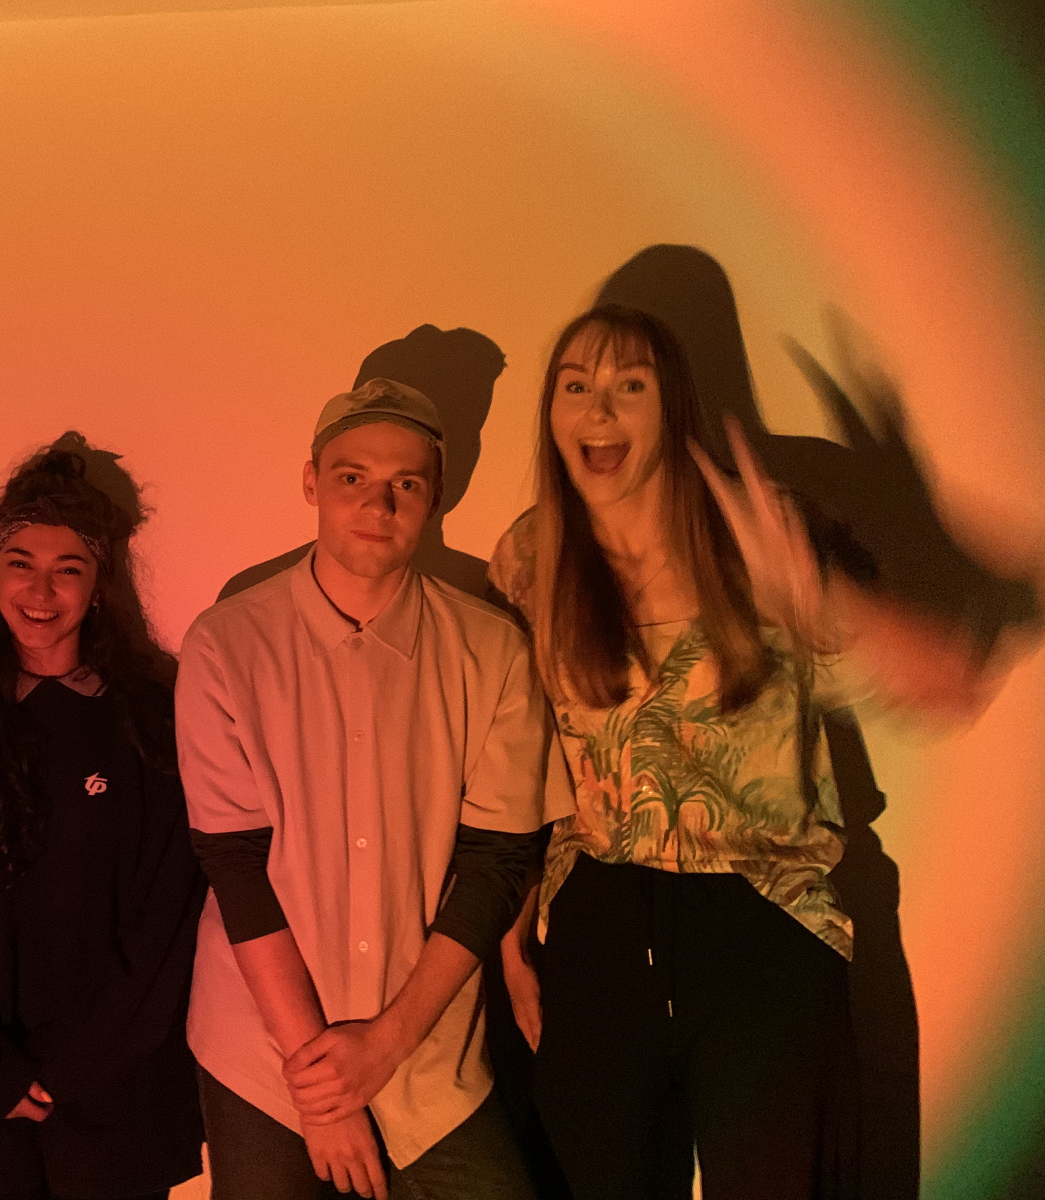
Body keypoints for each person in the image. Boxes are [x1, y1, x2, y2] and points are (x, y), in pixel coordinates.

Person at [493, 304, 983, 1200]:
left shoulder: (759, 527)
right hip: (600, 919)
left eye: (629, 385)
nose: (598, 409)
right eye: (576, 386)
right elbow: (529, 753)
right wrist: (515, 927)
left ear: (670, 406)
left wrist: (821, 601)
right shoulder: (532, 555)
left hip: (761, 916)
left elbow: (948, 683)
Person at [177, 378, 572, 1200]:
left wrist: (385, 1046)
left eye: (405, 483)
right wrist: (321, 1090)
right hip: (264, 1053)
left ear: (436, 495)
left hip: (429, 1053)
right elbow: (235, 867)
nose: (377, 504)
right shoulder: (226, 644)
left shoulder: (492, 651)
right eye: (352, 476)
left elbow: (497, 863)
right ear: (312, 482)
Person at [0, 440, 205, 1200]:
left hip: (114, 1108)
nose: (39, 590)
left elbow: (169, 922)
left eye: (68, 568)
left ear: (100, 584)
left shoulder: (156, 721)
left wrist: (68, 1073)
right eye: (20, 562)